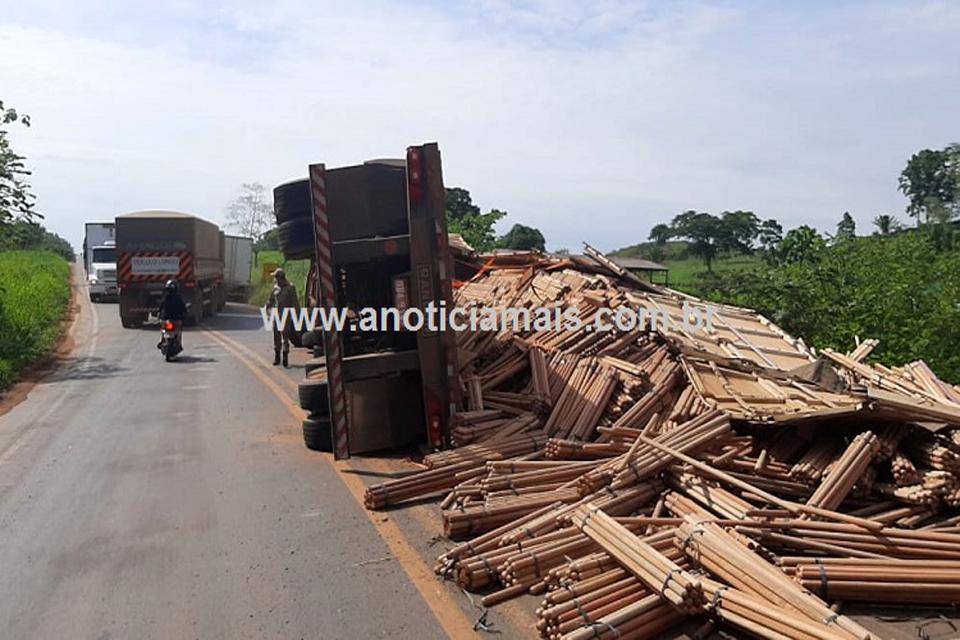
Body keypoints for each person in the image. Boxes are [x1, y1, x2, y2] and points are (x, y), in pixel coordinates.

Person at [267, 268, 299, 367]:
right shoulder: (275, 288)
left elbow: (295, 303)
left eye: (276, 278)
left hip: (286, 315)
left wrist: (297, 316)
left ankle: (285, 357)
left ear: (281, 278)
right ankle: (277, 357)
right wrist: (268, 307)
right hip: (276, 315)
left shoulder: (290, 288)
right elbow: (271, 300)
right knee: (276, 336)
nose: (276, 280)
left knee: (284, 336)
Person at [157, 279, 187, 350]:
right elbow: (183, 308)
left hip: (166, 319)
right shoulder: (178, 297)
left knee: (163, 328)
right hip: (175, 319)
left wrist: (159, 313)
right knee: (178, 330)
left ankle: (162, 340)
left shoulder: (166, 297)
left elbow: (161, 306)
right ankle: (176, 343)